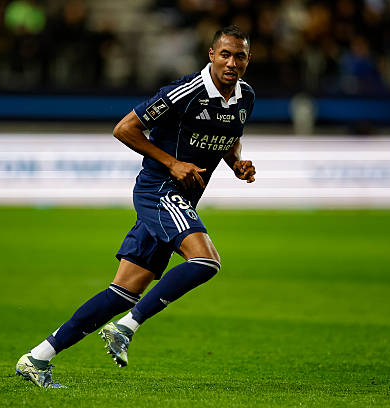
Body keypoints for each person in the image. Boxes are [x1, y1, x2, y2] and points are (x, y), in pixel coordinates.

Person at [15, 25, 256, 388]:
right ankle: (127, 327)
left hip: (180, 200)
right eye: (225, 54)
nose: (232, 63)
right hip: (158, 190)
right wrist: (172, 163)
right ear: (211, 55)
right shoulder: (185, 92)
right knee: (205, 261)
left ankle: (37, 358)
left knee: (122, 292)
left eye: (240, 56)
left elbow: (229, 136)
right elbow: (125, 128)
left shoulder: (245, 96)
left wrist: (236, 162)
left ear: (248, 60)